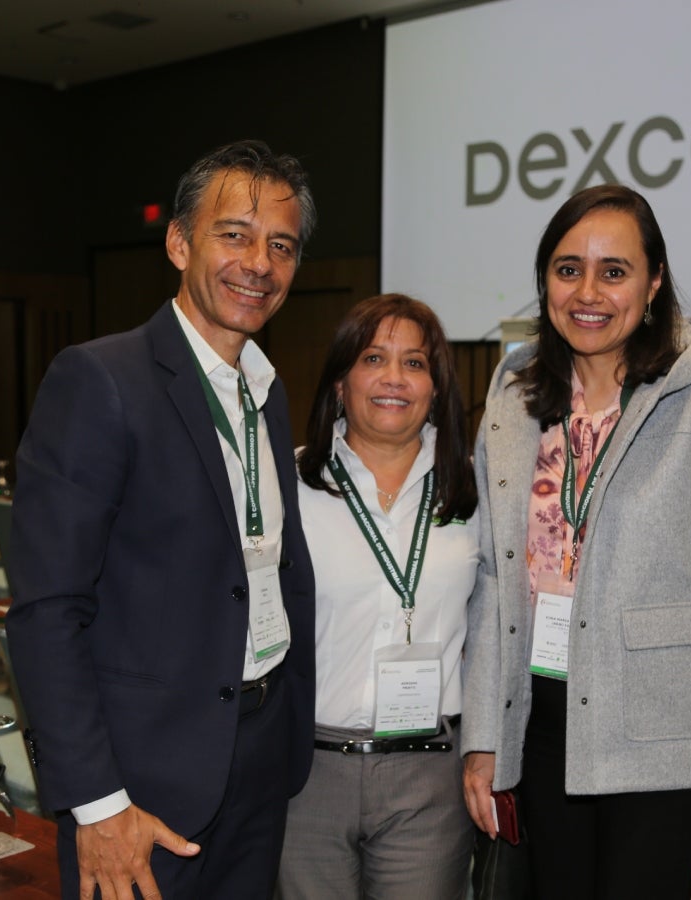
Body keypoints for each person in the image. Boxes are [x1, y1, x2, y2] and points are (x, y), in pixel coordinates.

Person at [460, 184, 691, 899]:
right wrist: (488, 736)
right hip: (543, 722)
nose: (588, 291)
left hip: (660, 731)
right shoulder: (515, 400)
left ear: (654, 283)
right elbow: (494, 578)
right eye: (566, 268)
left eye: (614, 271)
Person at [6, 139, 317, 900]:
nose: (259, 263)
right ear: (180, 243)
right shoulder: (100, 380)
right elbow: (47, 611)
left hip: (258, 755)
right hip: (141, 784)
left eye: (281, 245)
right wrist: (99, 805)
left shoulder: (266, 392)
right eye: (233, 235)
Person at [277, 294, 479, 900]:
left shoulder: (473, 492)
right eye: (373, 358)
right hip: (307, 772)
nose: (394, 378)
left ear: (436, 388)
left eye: (414, 363)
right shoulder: (288, 486)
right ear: (341, 382)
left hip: (429, 776)